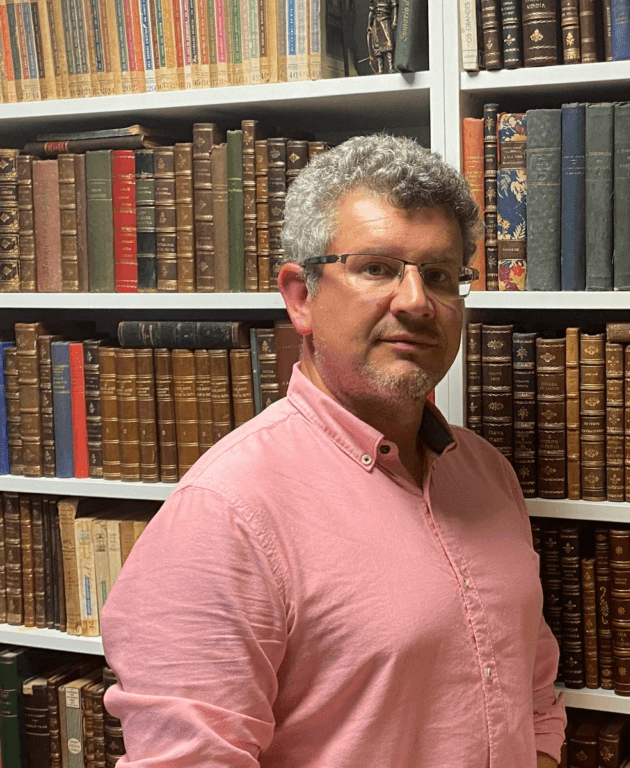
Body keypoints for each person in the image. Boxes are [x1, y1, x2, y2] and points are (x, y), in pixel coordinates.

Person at [101, 133, 566, 767]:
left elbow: (531, 693)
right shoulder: (225, 515)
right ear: (301, 297)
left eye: (439, 275)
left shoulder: (486, 474)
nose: (416, 302)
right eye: (376, 268)